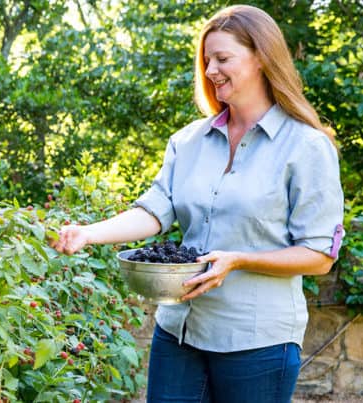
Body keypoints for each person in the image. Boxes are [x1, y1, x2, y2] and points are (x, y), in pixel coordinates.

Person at [50, 5, 344, 403]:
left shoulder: (306, 147)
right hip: (179, 332)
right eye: (207, 61)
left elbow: (318, 255)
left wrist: (237, 260)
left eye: (223, 59)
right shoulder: (187, 141)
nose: (210, 71)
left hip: (257, 341)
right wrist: (88, 234)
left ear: (261, 57)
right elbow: (153, 211)